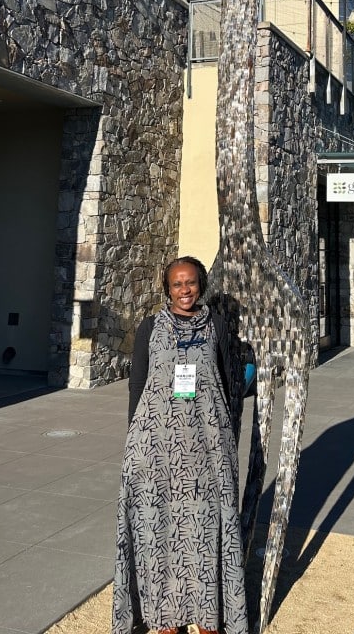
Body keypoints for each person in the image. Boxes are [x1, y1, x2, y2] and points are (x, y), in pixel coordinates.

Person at [112, 256, 248, 634]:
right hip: (155, 448)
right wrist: (133, 442)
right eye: (176, 284)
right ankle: (165, 615)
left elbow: (229, 384)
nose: (184, 290)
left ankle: (206, 615)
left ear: (200, 285)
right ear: (167, 289)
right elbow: (137, 387)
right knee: (159, 528)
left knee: (203, 529)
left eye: (190, 283)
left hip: (206, 449)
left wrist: (227, 437)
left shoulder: (217, 327)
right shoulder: (150, 328)